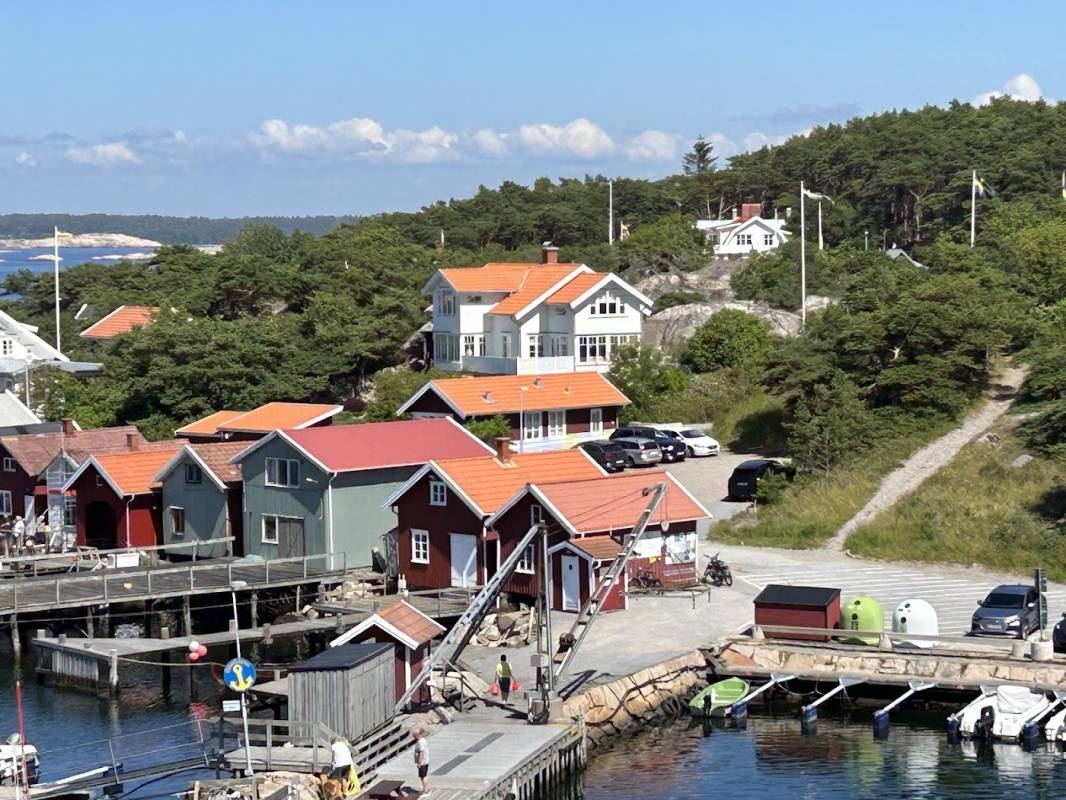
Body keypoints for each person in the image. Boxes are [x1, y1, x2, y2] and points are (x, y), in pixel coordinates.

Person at [413, 728, 429, 795]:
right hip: (426, 761)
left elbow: (421, 752)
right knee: (424, 776)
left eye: (414, 735)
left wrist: (419, 762)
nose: (413, 736)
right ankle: (426, 789)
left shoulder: (420, 742)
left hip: (422, 762)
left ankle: (426, 791)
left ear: (418, 735)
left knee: (423, 777)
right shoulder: (423, 740)